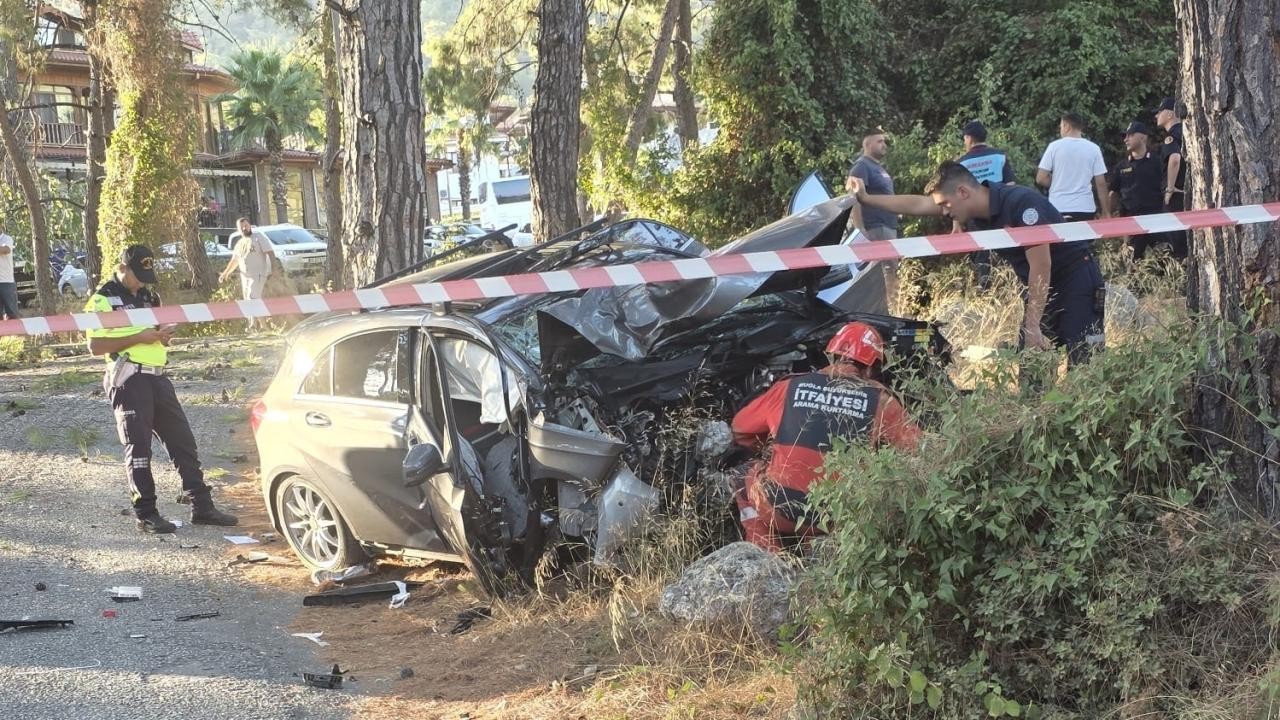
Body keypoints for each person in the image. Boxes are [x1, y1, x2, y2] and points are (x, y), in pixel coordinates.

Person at [851, 161, 1105, 365]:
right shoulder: (971, 210)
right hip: (1040, 287)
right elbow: (918, 203)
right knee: (1032, 366)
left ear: (962, 192)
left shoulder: (1021, 203)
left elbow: (1041, 266)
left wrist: (1032, 324)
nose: (946, 213)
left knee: (1085, 363)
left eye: (946, 205)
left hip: (1075, 279)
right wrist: (866, 198)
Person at [85, 245, 238, 534]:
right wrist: (138, 337)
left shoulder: (148, 296)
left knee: (183, 442)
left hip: (158, 375)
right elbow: (95, 346)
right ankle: (146, 513)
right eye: (138, 275)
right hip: (129, 378)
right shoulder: (102, 299)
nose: (143, 282)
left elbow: (151, 332)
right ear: (123, 268)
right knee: (139, 448)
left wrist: (161, 336)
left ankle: (201, 505)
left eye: (147, 275)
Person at [731, 322, 921, 552]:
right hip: (838, 518)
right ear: (872, 368)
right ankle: (819, 548)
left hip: (777, 509)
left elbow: (740, 429)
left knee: (740, 478)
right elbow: (919, 452)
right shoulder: (882, 402)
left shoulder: (790, 386)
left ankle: (768, 556)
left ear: (831, 356)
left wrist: (769, 448)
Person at [844, 129, 901, 310]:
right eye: (879, 141)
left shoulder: (878, 168)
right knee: (884, 272)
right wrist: (860, 229)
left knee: (892, 269)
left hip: (888, 226)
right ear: (867, 144)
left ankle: (895, 308)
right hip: (876, 228)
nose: (884, 145)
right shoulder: (861, 167)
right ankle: (886, 311)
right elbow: (854, 199)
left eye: (884, 141)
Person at [956, 120, 1015, 289]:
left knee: (981, 252)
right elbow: (1010, 186)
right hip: (1000, 210)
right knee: (1005, 250)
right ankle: (1007, 286)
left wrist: (957, 222)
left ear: (968, 138)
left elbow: (956, 196)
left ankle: (986, 289)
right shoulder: (999, 156)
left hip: (974, 214)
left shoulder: (961, 163)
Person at [1107, 122, 1166, 261]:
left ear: (1143, 138)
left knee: (1164, 259)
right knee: (1132, 263)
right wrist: (1109, 215)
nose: (1126, 139)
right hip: (1131, 221)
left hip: (1156, 219)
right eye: (1125, 136)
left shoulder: (1157, 162)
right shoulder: (1122, 166)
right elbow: (1113, 193)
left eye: (1131, 135)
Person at [1036, 112, 1111, 221]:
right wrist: (1106, 212)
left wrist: (1058, 182)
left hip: (1058, 207)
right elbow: (1101, 183)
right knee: (1083, 238)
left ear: (1066, 126)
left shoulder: (1054, 147)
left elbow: (1040, 178)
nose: (1060, 130)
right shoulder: (1094, 149)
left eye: (1061, 127)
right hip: (1085, 208)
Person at [219, 217, 274, 329]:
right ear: (238, 230)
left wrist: (274, 269)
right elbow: (235, 261)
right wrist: (225, 273)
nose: (244, 228)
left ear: (250, 225)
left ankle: (253, 325)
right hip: (245, 276)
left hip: (258, 274)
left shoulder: (258, 237)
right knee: (249, 301)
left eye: (246, 225)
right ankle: (262, 327)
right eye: (242, 227)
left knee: (252, 296)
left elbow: (270, 253)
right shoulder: (240, 243)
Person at [1154, 96, 1189, 259]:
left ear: (1169, 114)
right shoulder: (1186, 132)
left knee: (1174, 238)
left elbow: (1174, 159)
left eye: (1158, 112)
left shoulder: (1172, 136)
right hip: (1185, 192)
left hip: (1175, 194)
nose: (1156, 116)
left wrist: (1169, 188)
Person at [0, 225, 18, 320]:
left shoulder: (7, 239)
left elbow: (6, 250)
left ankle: (16, 333)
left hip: (6, 282)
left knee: (12, 313)